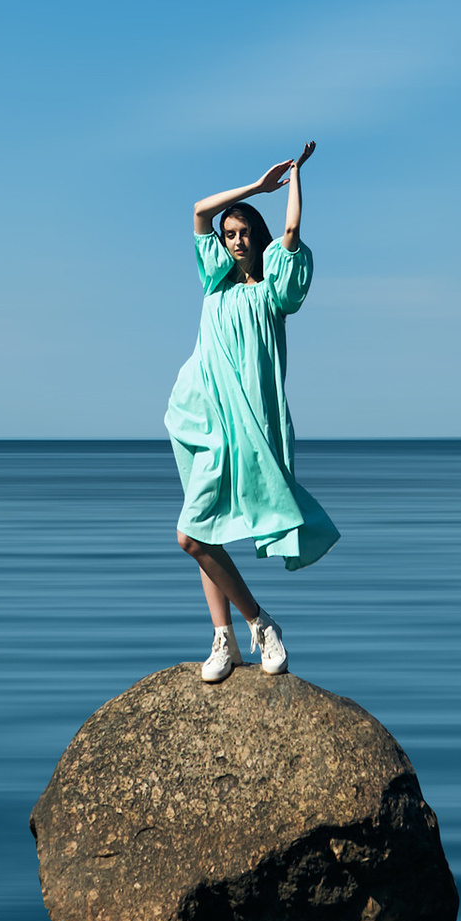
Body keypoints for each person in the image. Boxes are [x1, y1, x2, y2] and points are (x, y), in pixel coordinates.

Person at [166, 140, 337, 681]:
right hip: (197, 413)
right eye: (230, 234)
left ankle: (259, 624)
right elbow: (198, 210)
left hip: (247, 422)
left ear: (258, 239)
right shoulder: (213, 279)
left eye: (245, 233)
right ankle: (228, 638)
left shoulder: (273, 294)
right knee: (201, 531)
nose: (236, 240)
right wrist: (256, 187)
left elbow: (291, 235)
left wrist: (294, 182)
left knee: (193, 534)